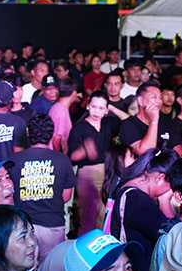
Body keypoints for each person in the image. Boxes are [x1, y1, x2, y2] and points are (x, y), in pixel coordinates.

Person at [104, 148, 176, 271]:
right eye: (171, 186)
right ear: (159, 178)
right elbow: (171, 238)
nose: (170, 191)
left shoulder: (127, 190)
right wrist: (165, 200)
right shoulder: (138, 201)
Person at [9, 115, 75, 261]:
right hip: (53, 225)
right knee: (51, 269)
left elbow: (9, 195)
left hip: (22, 225)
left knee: (25, 270)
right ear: (52, 134)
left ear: (28, 133)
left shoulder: (14, 160)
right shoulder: (62, 160)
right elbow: (66, 196)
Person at [67, 92, 113, 234]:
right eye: (94, 106)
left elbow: (128, 120)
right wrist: (85, 150)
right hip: (87, 174)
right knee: (88, 216)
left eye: (101, 108)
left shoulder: (108, 124)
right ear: (87, 106)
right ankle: (85, 245)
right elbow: (71, 156)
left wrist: (112, 108)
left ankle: (100, 244)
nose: (96, 111)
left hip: (106, 173)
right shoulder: (79, 128)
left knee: (103, 215)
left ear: (106, 110)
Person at [120, 82, 182, 156]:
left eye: (160, 98)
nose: (159, 101)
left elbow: (178, 149)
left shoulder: (166, 122)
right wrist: (154, 121)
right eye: (154, 97)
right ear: (140, 101)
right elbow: (144, 152)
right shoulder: (129, 125)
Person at [48, 78, 79, 152]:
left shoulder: (59, 107)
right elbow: (56, 139)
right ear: (74, 93)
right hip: (55, 155)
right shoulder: (60, 111)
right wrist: (59, 156)